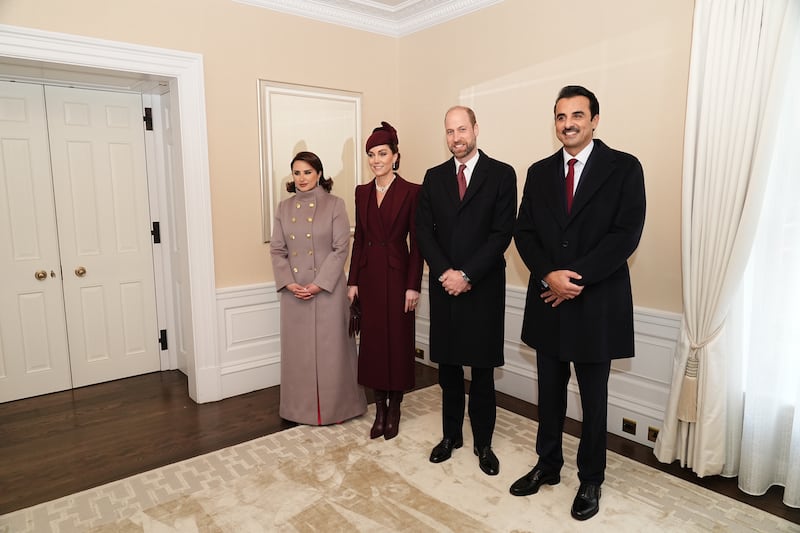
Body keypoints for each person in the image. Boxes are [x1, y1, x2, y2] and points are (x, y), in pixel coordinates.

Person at [511, 85, 646, 521]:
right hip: (549, 300)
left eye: (576, 115)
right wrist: (549, 274)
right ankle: (548, 465)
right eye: (560, 116)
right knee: (548, 393)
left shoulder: (624, 168)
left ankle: (591, 478)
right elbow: (524, 232)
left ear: (594, 120)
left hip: (596, 305)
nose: (567, 123)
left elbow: (625, 234)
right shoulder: (538, 171)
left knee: (594, 398)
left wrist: (576, 279)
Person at [415, 106, 517, 476]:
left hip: (483, 287)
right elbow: (424, 231)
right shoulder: (434, 176)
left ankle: (484, 444)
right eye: (449, 131)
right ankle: (450, 437)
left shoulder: (502, 175)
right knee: (449, 369)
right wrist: (446, 272)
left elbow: (501, 233)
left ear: (475, 129)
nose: (456, 138)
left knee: (483, 371)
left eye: (462, 129)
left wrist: (468, 274)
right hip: (445, 288)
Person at [270, 151, 367, 425]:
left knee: (333, 351)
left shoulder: (335, 204)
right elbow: (277, 250)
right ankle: (298, 409)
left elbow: (340, 248)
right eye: (297, 173)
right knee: (298, 354)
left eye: (307, 172)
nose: (302, 178)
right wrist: (289, 282)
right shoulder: (283, 208)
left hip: (328, 290)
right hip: (294, 293)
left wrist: (318, 284)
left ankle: (340, 408)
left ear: (319, 174)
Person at [347, 121, 424, 440]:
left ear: (395, 156)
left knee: (398, 344)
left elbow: (418, 243)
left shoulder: (412, 191)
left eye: (382, 153)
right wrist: (352, 281)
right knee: (375, 346)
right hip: (369, 278)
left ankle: (395, 408)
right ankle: (379, 408)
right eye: (371, 154)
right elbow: (360, 237)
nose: (376, 159)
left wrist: (413, 285)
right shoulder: (361, 192)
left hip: (398, 276)